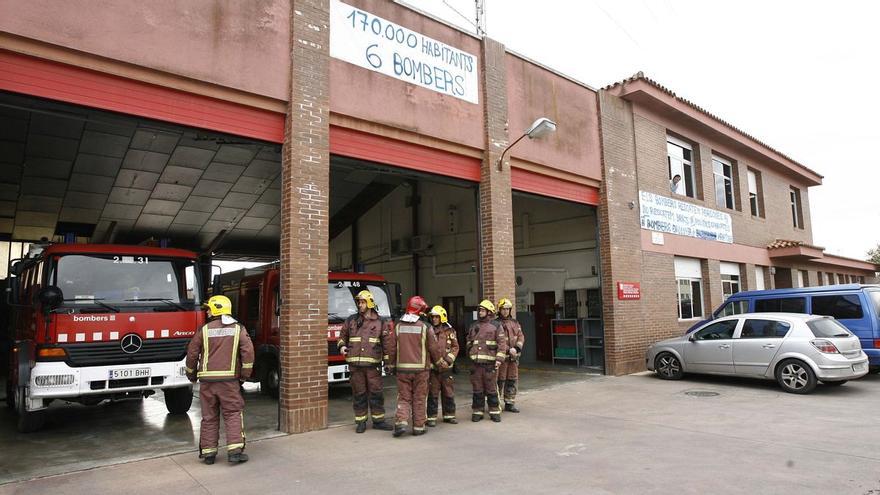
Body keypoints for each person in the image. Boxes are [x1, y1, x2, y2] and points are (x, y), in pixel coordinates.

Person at [185, 295, 255, 465]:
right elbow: (248, 353)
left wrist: (191, 375)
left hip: (207, 382)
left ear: (216, 308)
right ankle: (235, 453)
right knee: (232, 414)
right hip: (229, 381)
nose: (207, 311)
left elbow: (192, 354)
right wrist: (244, 376)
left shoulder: (204, 329)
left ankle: (209, 454)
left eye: (209, 308)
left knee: (209, 416)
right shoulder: (238, 329)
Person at [337, 290, 395, 433]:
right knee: (359, 394)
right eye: (359, 302)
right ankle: (361, 422)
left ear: (369, 303)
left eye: (362, 302)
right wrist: (342, 346)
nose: (360, 305)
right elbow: (342, 336)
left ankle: (378, 421)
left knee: (376, 393)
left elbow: (387, 344)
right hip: (355, 366)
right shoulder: (351, 320)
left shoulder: (381, 322)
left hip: (372, 366)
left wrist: (388, 364)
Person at [388, 295, 442, 437]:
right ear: (420, 310)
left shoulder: (398, 326)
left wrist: (390, 365)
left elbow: (391, 348)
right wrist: (439, 363)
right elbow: (434, 349)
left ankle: (401, 422)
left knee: (404, 397)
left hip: (402, 369)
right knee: (419, 397)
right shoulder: (425, 327)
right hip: (421, 370)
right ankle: (418, 427)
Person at [466, 299, 508, 423]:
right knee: (477, 389)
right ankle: (477, 411)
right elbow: (469, 341)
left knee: (491, 389)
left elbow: (502, 344)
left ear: (489, 312)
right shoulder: (474, 326)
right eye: (479, 310)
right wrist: (470, 351)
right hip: (476, 364)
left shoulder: (496, 326)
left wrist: (499, 359)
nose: (480, 312)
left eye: (483, 310)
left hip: (490, 365)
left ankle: (494, 411)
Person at [426, 305, 459, 426]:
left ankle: (449, 415)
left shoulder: (450, 331)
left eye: (436, 317)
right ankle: (431, 417)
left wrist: (448, 361)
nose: (434, 319)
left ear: (442, 317)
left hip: (447, 370)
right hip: (433, 370)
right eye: (432, 317)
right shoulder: (428, 330)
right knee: (433, 393)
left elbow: (455, 347)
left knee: (448, 393)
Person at [496, 298, 525, 413]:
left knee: (512, 380)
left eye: (507, 309)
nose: (505, 311)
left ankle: (509, 403)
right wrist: (508, 350)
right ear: (500, 309)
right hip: (502, 358)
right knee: (500, 381)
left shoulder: (515, 323)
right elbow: (497, 341)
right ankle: (495, 404)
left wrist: (517, 348)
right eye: (503, 309)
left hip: (513, 358)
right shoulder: (496, 324)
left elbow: (521, 336)